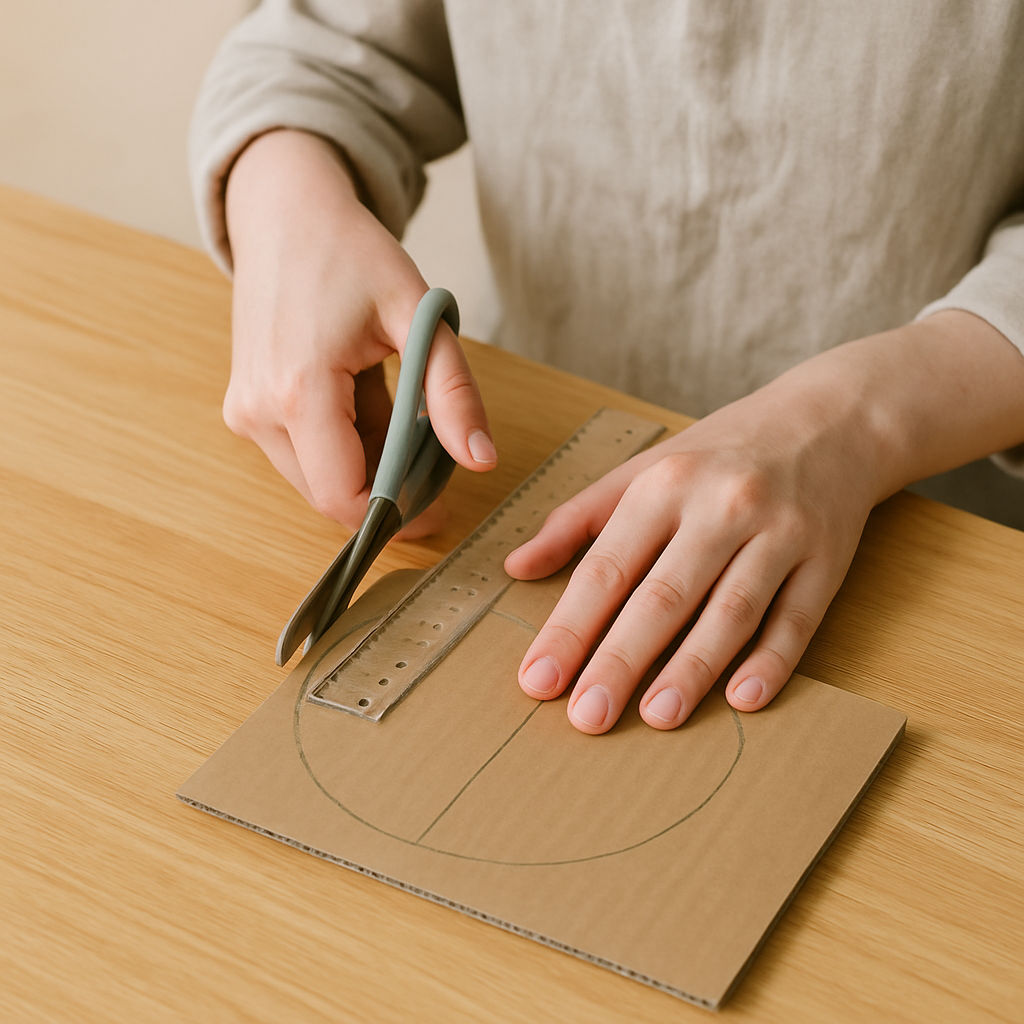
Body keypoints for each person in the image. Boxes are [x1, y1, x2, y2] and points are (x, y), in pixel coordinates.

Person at [189, 2, 1024, 735]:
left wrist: (860, 421)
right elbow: (314, 47)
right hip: (533, 462)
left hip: (949, 537)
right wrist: (284, 199)